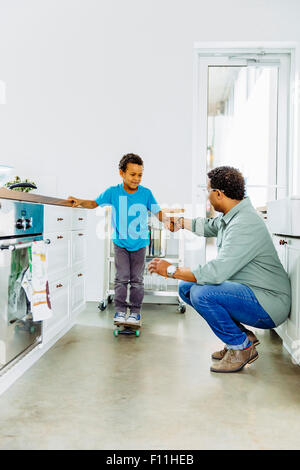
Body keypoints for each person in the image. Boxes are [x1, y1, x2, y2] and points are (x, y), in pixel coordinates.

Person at [148, 166, 291, 373]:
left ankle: (241, 348)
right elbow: (209, 226)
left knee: (202, 292)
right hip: (252, 293)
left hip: (269, 303)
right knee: (186, 287)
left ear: (218, 194)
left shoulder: (244, 224)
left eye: (208, 190)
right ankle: (243, 337)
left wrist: (171, 270)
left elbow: (215, 273)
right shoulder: (234, 215)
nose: (207, 196)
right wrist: (179, 222)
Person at [68, 153, 173, 328]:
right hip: (121, 244)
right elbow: (94, 204)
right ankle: (120, 311)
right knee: (122, 278)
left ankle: (135, 313)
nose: (136, 179)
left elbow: (158, 212)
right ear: (122, 173)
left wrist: (170, 221)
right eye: (132, 174)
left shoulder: (146, 193)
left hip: (140, 244)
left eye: (140, 175)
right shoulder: (113, 192)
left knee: (137, 280)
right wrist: (79, 202)